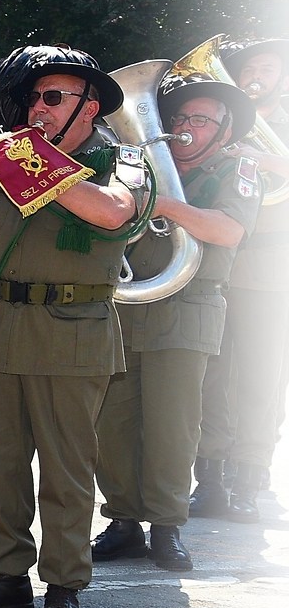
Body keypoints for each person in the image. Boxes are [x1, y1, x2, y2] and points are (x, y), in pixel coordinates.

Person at [0, 45, 142, 608]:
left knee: (66, 465)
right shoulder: (12, 157)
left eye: (52, 97)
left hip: (73, 327)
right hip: (1, 321)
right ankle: (6, 576)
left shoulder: (121, 160)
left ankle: (64, 583)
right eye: (33, 99)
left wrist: (29, 158)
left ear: (89, 106)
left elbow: (112, 211)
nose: (38, 108)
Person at [93, 77, 257, 571]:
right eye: (180, 118)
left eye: (200, 120)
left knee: (173, 424)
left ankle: (166, 525)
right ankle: (123, 521)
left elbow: (228, 230)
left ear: (225, 131)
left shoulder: (236, 169)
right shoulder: (138, 165)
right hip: (129, 306)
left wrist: (164, 205)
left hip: (189, 307)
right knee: (114, 420)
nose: (186, 127)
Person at [197, 39, 289, 522]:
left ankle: (250, 480)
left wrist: (265, 160)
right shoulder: (223, 123)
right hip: (217, 263)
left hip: (270, 269)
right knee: (211, 378)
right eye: (249, 68)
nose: (257, 75)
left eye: (267, 68)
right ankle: (210, 479)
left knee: (259, 378)